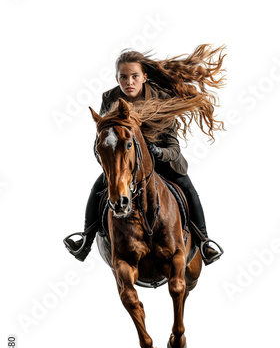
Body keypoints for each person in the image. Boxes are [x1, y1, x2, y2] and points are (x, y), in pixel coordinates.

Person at [64, 46, 226, 264]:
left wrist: (157, 152)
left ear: (144, 77)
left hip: (161, 160)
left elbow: (173, 147)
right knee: (98, 187)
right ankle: (86, 239)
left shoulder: (161, 97)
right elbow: (103, 140)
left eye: (134, 76)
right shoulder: (110, 98)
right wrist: (111, 163)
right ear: (117, 78)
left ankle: (204, 242)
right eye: (123, 77)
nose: (129, 82)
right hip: (127, 165)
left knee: (187, 187)